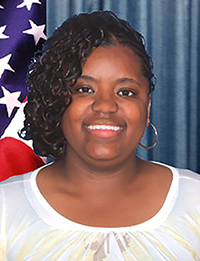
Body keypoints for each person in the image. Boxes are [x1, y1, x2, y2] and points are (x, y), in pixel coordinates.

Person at [0, 10, 200, 260]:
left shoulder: (195, 200)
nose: (105, 106)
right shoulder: (5, 208)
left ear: (147, 108)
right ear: (58, 101)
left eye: (125, 92)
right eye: (84, 89)